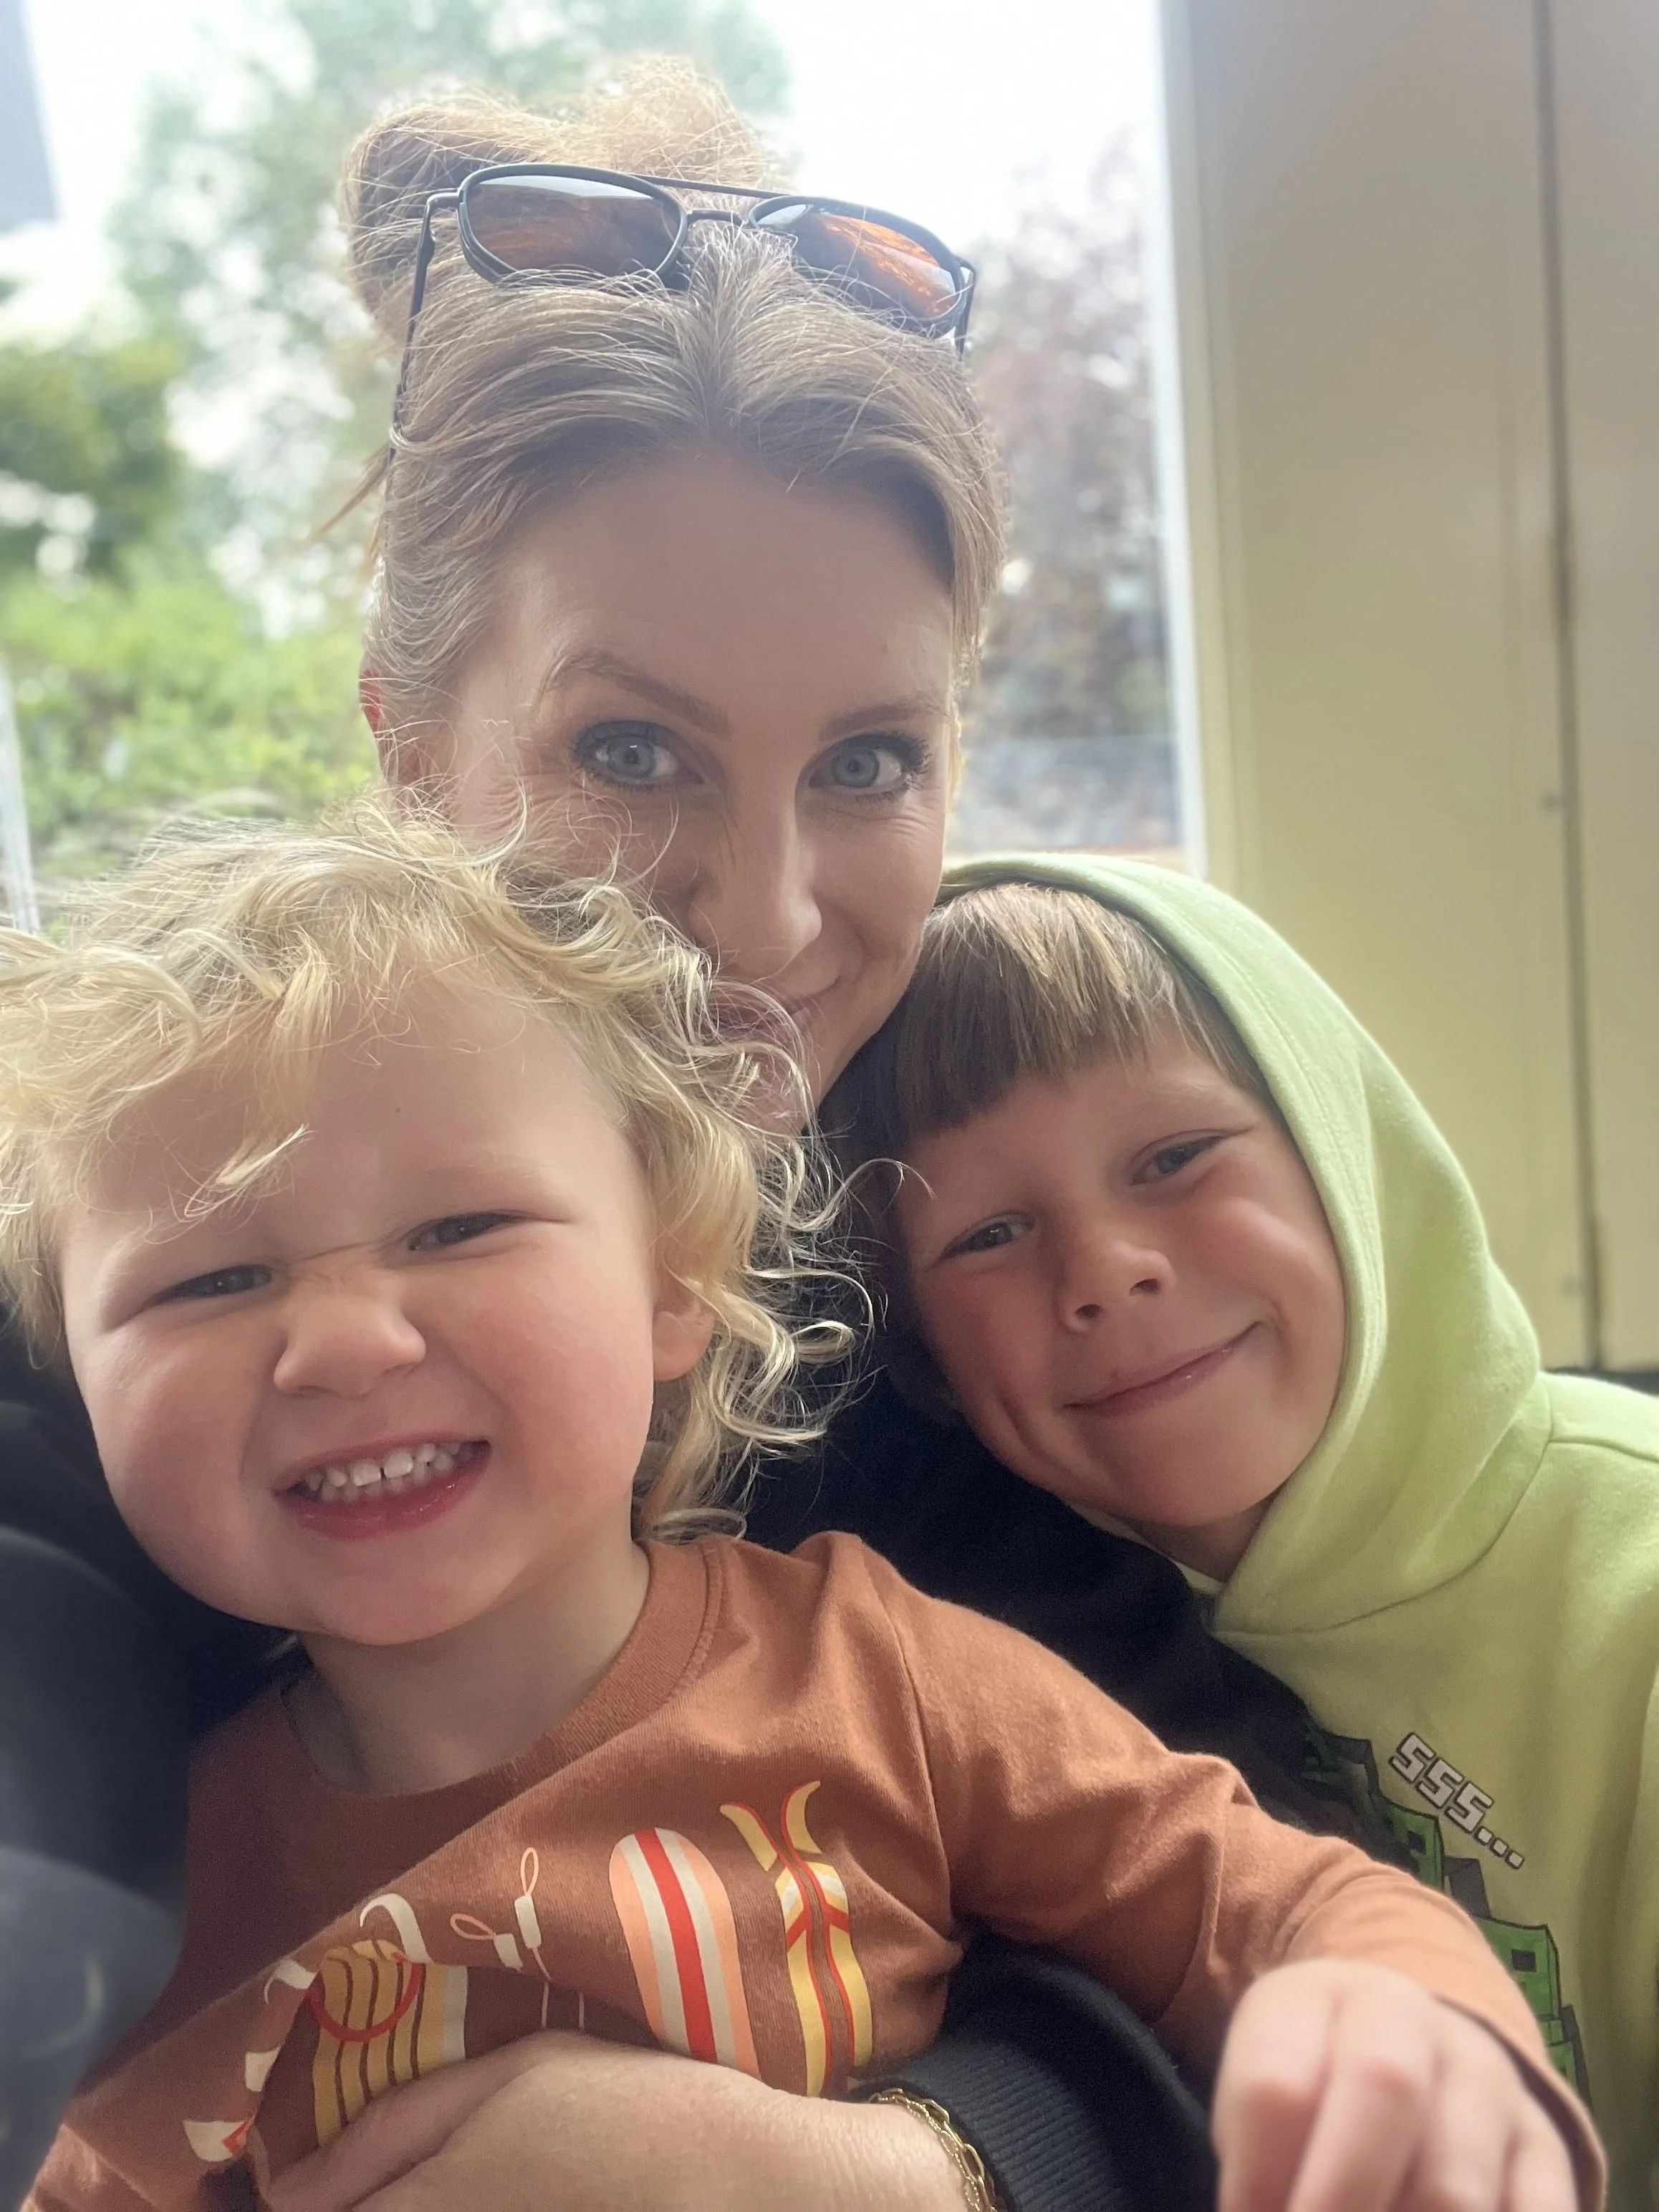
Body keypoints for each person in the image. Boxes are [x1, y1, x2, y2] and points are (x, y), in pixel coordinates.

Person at [0, 59, 1398, 2212]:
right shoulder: (148, 1251)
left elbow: (1276, 1890)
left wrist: (929, 2164)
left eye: (869, 761)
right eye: (631, 750)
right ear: (408, 747)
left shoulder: (948, 1249)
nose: (763, 918)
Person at [2, 802, 1602, 2212]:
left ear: (675, 1284)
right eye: (211, 1280)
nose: (346, 1341)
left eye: (458, 1226)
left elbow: (1286, 1900)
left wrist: (1409, 2021)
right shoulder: (138, 1897)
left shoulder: (881, 1668)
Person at [822, 858, 1659, 2211]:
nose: (1105, 1271)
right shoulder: (945, 1662)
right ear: (921, 1356)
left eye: (1174, 1159)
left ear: (1343, 1147)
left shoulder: (1635, 1569)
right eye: (990, 1233)